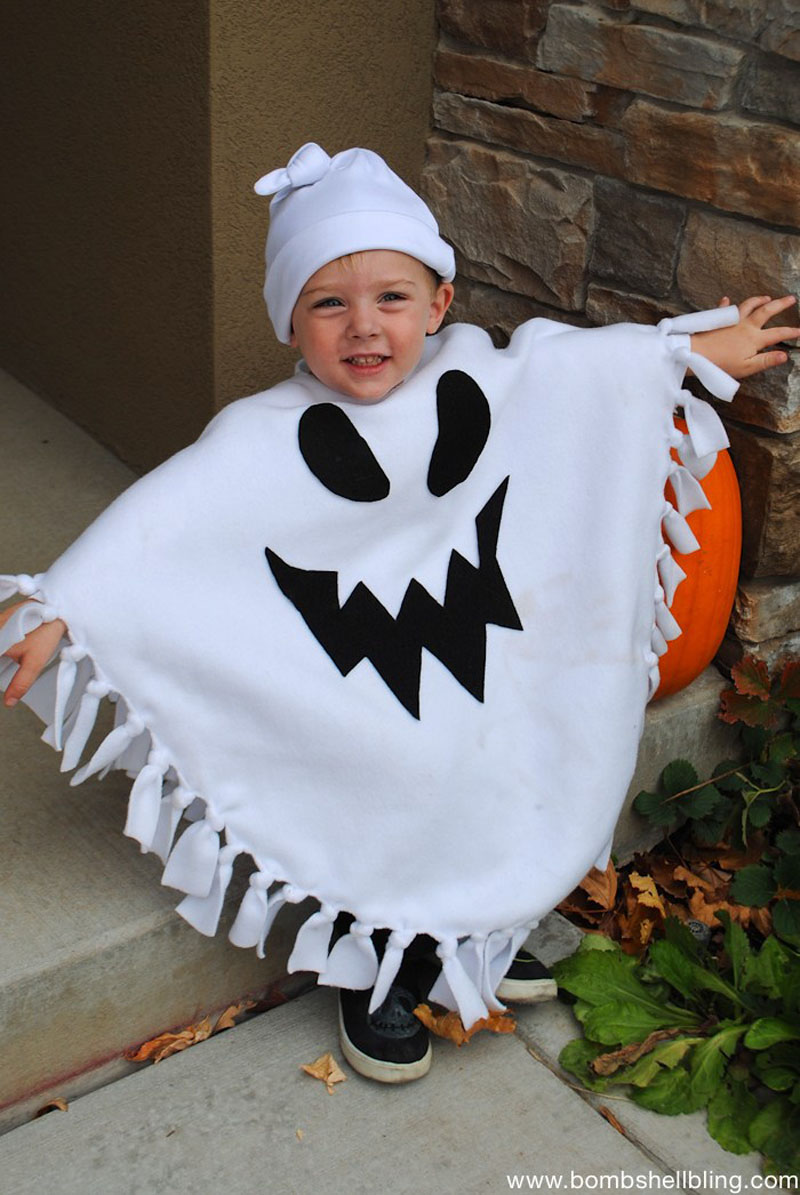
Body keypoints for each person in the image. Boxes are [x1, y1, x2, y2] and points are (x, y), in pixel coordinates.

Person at [1, 143, 797, 1085]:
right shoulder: (264, 438)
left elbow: (585, 377)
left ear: (440, 305)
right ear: (290, 324)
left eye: (391, 298)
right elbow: (167, 523)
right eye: (328, 304)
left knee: (493, 754)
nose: (364, 327)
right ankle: (377, 962)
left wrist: (698, 349)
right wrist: (65, 606)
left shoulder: (480, 380)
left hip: (469, 651)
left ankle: (469, 942)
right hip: (350, 686)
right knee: (375, 772)